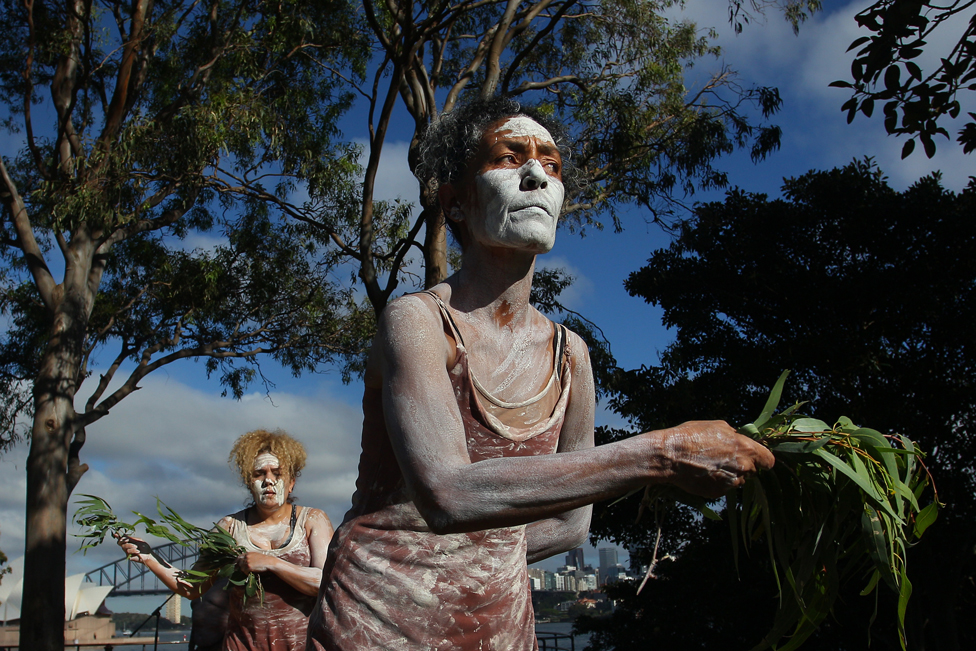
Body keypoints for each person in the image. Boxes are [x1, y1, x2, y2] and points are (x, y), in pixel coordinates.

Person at [306, 97, 775, 651]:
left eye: (551, 165)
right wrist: (662, 454)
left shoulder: (570, 353)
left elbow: (574, 527)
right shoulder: (419, 321)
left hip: (500, 627)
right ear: (456, 204)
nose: (537, 176)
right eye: (510, 157)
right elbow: (446, 492)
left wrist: (482, 557)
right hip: (376, 621)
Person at [117, 429, 334, 651]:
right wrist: (148, 556)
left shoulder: (312, 520)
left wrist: (271, 563)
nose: (269, 480)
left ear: (291, 483)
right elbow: (193, 586)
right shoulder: (229, 527)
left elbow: (324, 582)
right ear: (249, 482)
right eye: (259, 473)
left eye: (277, 473)